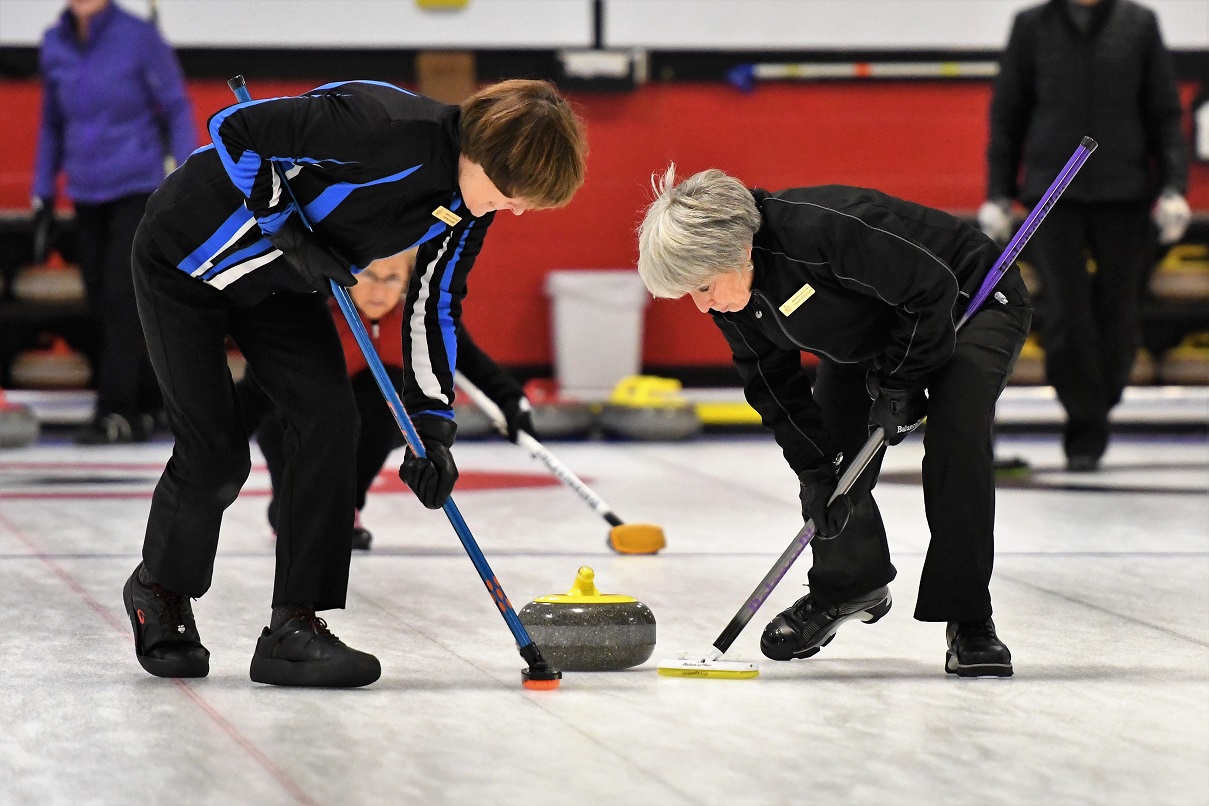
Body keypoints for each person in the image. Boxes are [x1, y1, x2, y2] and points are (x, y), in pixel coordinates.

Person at [123, 78, 586, 688]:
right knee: (215, 454)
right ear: (480, 151)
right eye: (513, 193)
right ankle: (159, 591)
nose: (517, 209)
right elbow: (235, 132)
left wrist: (431, 424)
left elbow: (434, 304)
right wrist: (287, 228)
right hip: (184, 262)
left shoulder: (468, 210)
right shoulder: (379, 125)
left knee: (332, 422)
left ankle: (294, 627)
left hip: (279, 285)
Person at [637, 167, 1032, 677]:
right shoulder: (732, 296)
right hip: (877, 328)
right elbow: (772, 386)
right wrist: (816, 468)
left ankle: (970, 618)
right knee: (830, 459)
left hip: (969, 298)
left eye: (705, 287)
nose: (703, 305)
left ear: (740, 251)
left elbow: (931, 290)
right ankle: (849, 585)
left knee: (958, 434)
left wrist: (900, 385)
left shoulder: (824, 230)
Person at [978, 0, 1189, 472]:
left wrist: (1175, 185)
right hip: (1053, 193)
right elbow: (1008, 113)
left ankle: (1093, 413)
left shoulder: (1138, 24)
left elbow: (1164, 113)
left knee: (1118, 316)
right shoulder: (1032, 26)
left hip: (1126, 192)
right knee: (1067, 315)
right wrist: (997, 193)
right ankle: (1085, 425)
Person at [235, 250, 537, 551]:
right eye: (368, 275)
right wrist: (216, 446)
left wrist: (512, 403)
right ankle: (291, 500)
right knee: (284, 408)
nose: (379, 291)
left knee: (391, 388)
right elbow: (256, 391)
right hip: (295, 424)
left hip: (371, 423)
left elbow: (474, 364)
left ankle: (345, 507)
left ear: (407, 282)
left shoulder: (419, 321)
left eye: (392, 279)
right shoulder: (314, 314)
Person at [32, 0, 196, 444]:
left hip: (137, 188)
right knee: (101, 299)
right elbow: (51, 122)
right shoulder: (55, 42)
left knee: (126, 299)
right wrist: (42, 189)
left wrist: (190, 180)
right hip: (85, 191)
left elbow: (176, 109)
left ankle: (115, 412)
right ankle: (148, 404)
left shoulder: (139, 38)